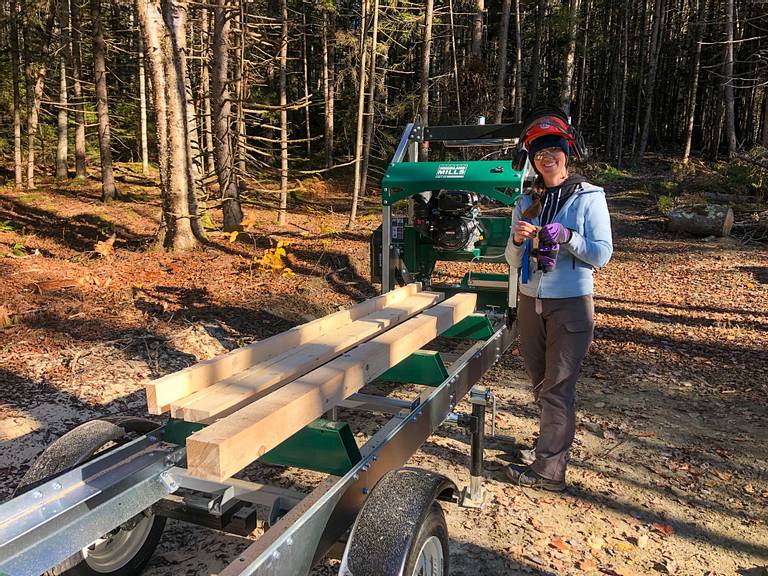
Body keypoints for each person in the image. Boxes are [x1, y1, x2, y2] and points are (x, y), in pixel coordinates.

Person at [504, 112, 613, 492]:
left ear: (567, 153)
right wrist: (517, 241)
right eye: (539, 152)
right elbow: (512, 261)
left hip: (570, 305)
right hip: (531, 302)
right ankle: (548, 446)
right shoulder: (526, 201)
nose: (547, 157)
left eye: (554, 149)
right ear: (532, 159)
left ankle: (549, 471)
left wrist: (567, 236)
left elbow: (601, 255)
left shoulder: (589, 197)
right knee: (540, 383)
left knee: (557, 388)